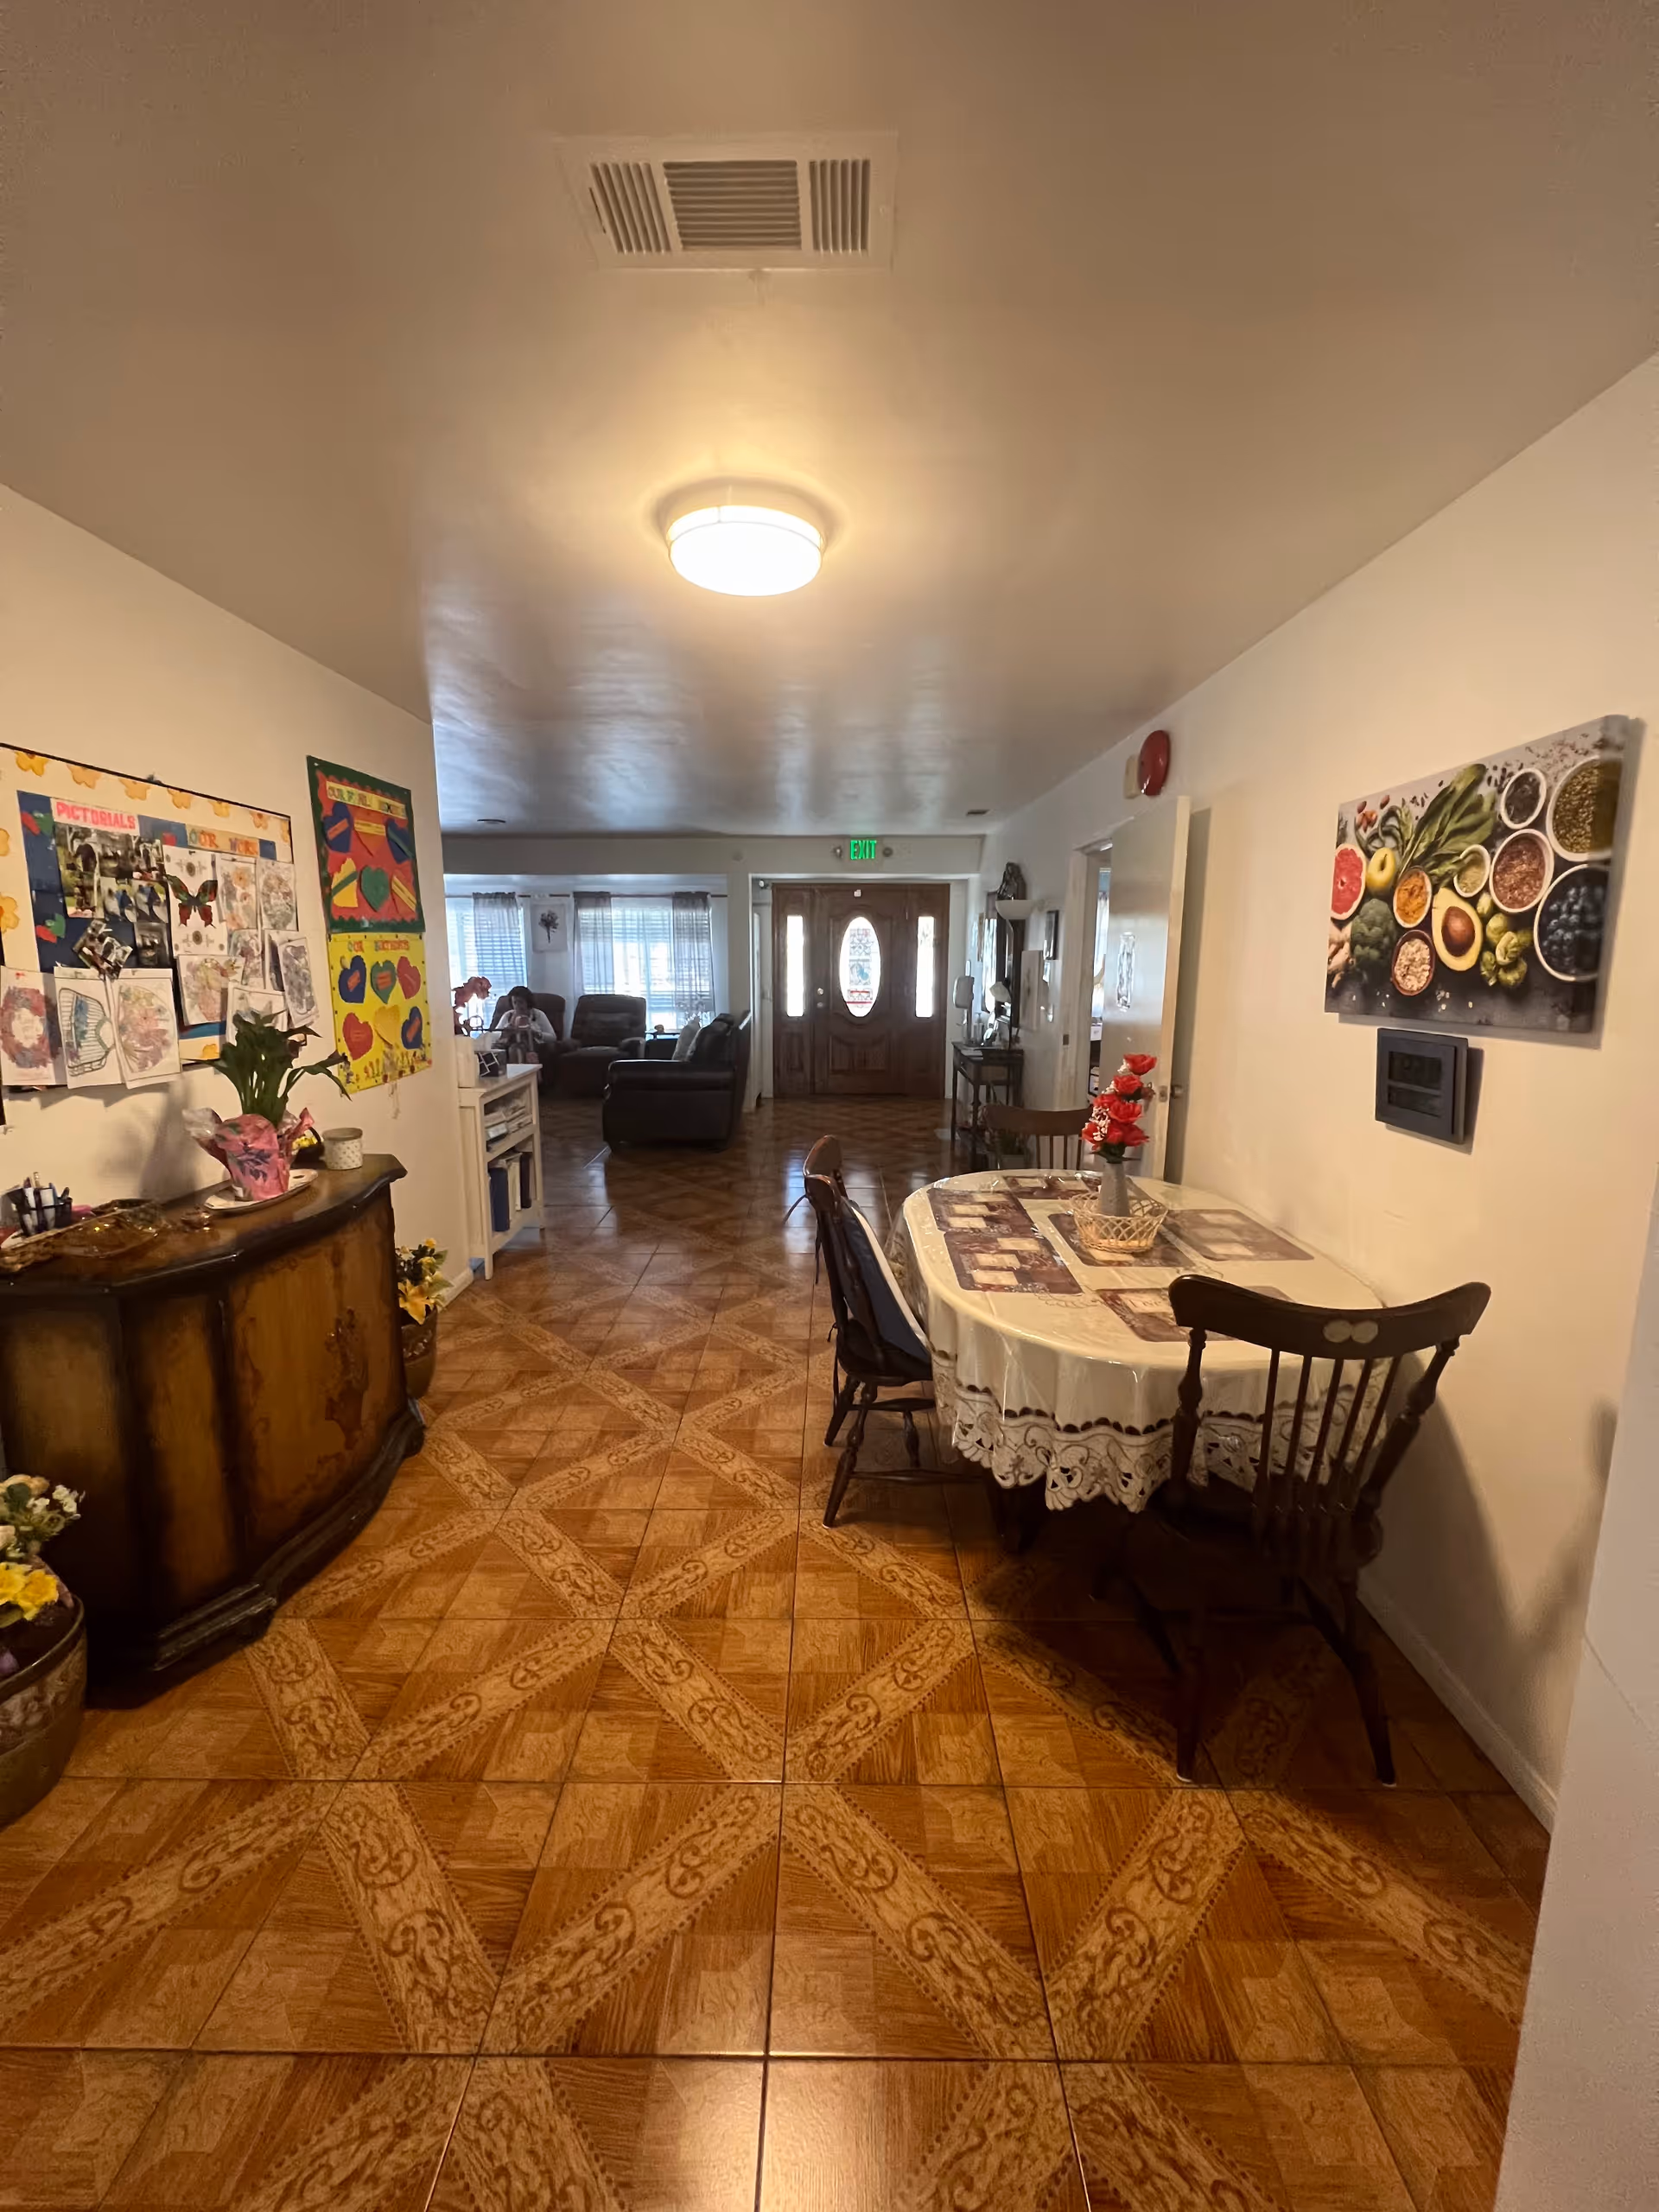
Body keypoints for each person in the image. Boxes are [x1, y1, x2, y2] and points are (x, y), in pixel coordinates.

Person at [492, 985, 556, 1069]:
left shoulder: (538, 1015)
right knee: (495, 1048)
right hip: (508, 1044)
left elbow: (553, 1037)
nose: (517, 1006)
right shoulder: (508, 1015)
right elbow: (494, 1035)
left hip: (532, 1045)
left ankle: (521, 1077)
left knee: (516, 1048)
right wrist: (506, 1030)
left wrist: (536, 1034)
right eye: (515, 1003)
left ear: (528, 1002)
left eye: (521, 1002)